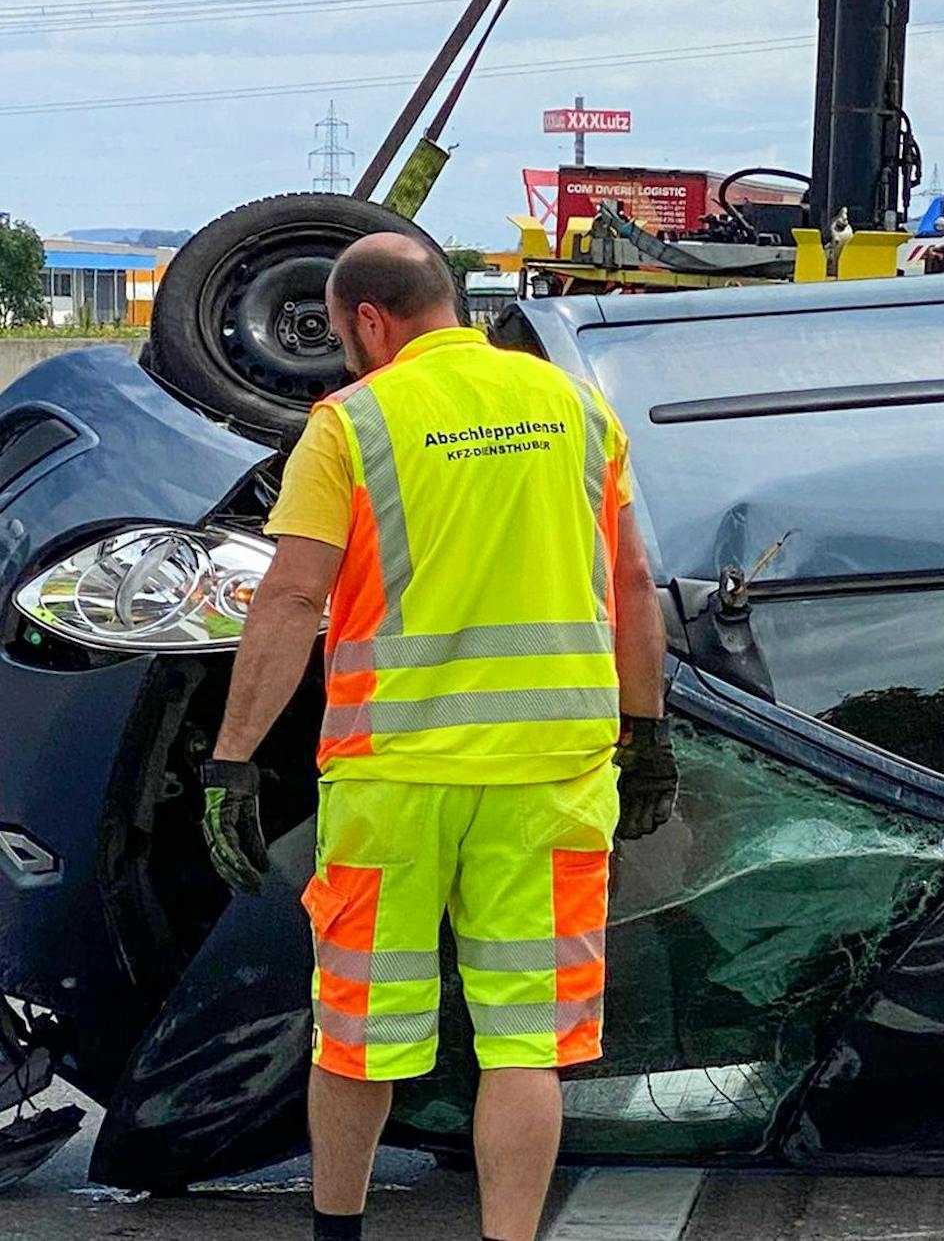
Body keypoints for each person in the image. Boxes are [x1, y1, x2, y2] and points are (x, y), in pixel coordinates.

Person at [197, 232, 676, 1241]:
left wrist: (231, 760)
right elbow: (634, 582)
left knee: (358, 1030)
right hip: (549, 778)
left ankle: (338, 1234)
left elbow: (289, 599)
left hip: (394, 780)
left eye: (340, 335)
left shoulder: (352, 423)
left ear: (367, 320)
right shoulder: (575, 409)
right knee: (521, 1043)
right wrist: (647, 732)